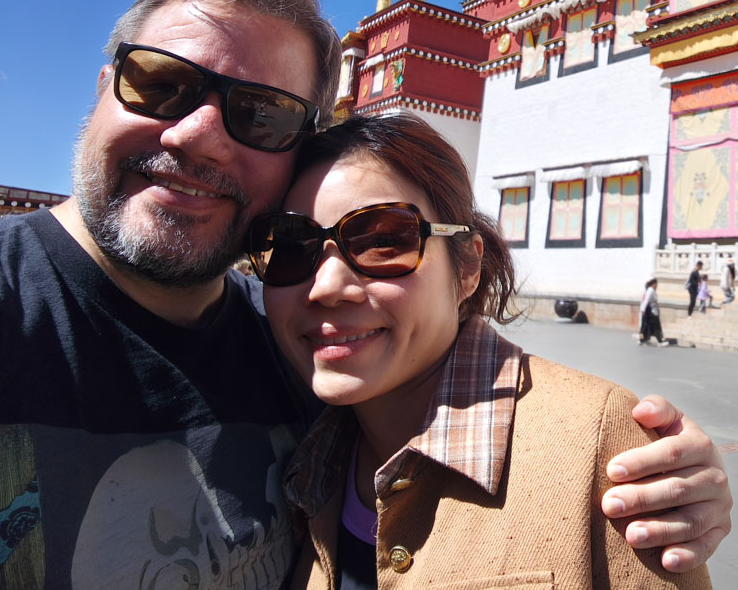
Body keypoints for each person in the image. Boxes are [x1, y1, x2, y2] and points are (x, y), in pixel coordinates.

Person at [0, 0, 730, 587]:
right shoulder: (310, 369)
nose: (199, 135)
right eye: (161, 84)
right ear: (103, 85)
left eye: (262, 115)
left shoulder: (293, 349)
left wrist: (619, 450)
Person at [250, 114, 711, 587]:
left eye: (383, 241)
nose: (326, 287)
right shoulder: (304, 452)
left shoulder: (600, 448)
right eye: (290, 247)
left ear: (468, 266)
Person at [639, 278, 668, 345]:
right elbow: (646, 300)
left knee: (645, 327)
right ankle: (660, 341)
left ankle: (642, 340)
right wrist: (643, 309)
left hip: (651, 311)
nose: (656, 287)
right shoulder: (650, 290)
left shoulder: (650, 290)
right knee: (656, 327)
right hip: (652, 312)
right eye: (656, 285)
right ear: (654, 284)